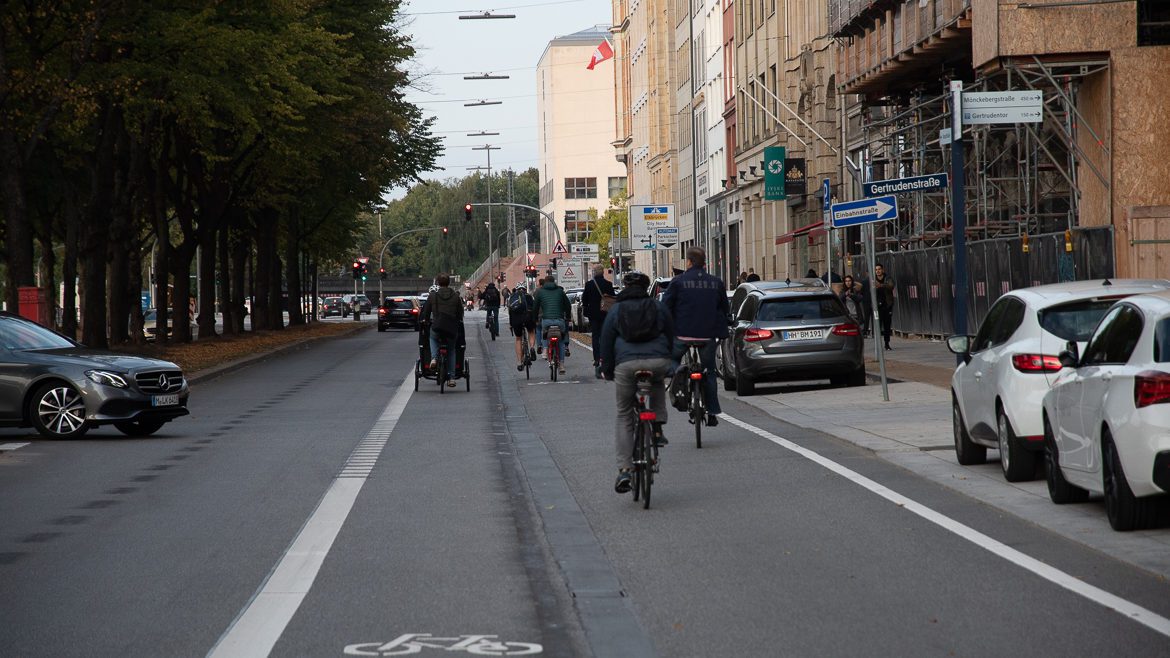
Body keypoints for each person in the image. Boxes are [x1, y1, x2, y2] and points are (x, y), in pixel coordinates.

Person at [599, 270, 675, 494]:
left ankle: (624, 469)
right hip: (657, 361)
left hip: (626, 365)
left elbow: (606, 340)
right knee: (658, 382)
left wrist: (606, 368)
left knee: (624, 414)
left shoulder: (617, 309)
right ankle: (658, 428)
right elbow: (671, 333)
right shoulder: (658, 306)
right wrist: (669, 358)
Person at [661, 246, 729, 427]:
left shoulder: (678, 282)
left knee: (672, 360)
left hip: (682, 335)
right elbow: (724, 308)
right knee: (710, 372)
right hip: (708, 336)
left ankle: (677, 378)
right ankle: (713, 411)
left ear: (689, 262)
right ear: (704, 263)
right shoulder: (716, 282)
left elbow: (665, 307)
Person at [422, 273, 464, 387]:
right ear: (448, 283)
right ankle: (451, 378)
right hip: (451, 329)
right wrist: (458, 320)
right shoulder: (456, 296)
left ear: (438, 283)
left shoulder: (433, 296)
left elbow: (426, 312)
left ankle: (434, 358)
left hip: (437, 326)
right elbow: (460, 313)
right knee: (451, 351)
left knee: (432, 337)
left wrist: (425, 321)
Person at [581, 264, 616, 379]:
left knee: (595, 336)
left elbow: (584, 300)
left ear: (594, 273)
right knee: (605, 336)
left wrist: (586, 308)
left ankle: (596, 358)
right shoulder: (608, 284)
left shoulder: (589, 285)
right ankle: (606, 357)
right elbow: (612, 298)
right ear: (603, 273)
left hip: (594, 315)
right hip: (606, 313)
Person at [533, 276, 571, 374]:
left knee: (544, 332)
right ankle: (562, 365)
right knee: (561, 342)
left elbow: (535, 307)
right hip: (559, 320)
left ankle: (545, 349)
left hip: (546, 321)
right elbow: (568, 305)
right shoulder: (560, 291)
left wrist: (535, 319)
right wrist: (568, 317)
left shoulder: (540, 292)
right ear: (554, 282)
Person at [507, 283, 536, 371]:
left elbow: (510, 312)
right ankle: (531, 348)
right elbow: (534, 309)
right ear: (525, 289)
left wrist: (511, 324)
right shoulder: (529, 296)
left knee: (518, 338)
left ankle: (519, 362)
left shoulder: (512, 297)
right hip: (528, 317)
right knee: (531, 332)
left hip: (516, 320)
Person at [874, 263, 895, 350]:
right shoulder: (873, 279)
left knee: (887, 325)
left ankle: (887, 343)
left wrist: (881, 285)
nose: (878, 271)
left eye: (879, 269)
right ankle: (878, 345)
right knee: (877, 325)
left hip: (887, 305)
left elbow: (891, 286)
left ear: (882, 270)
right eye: (876, 270)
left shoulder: (888, 278)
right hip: (877, 306)